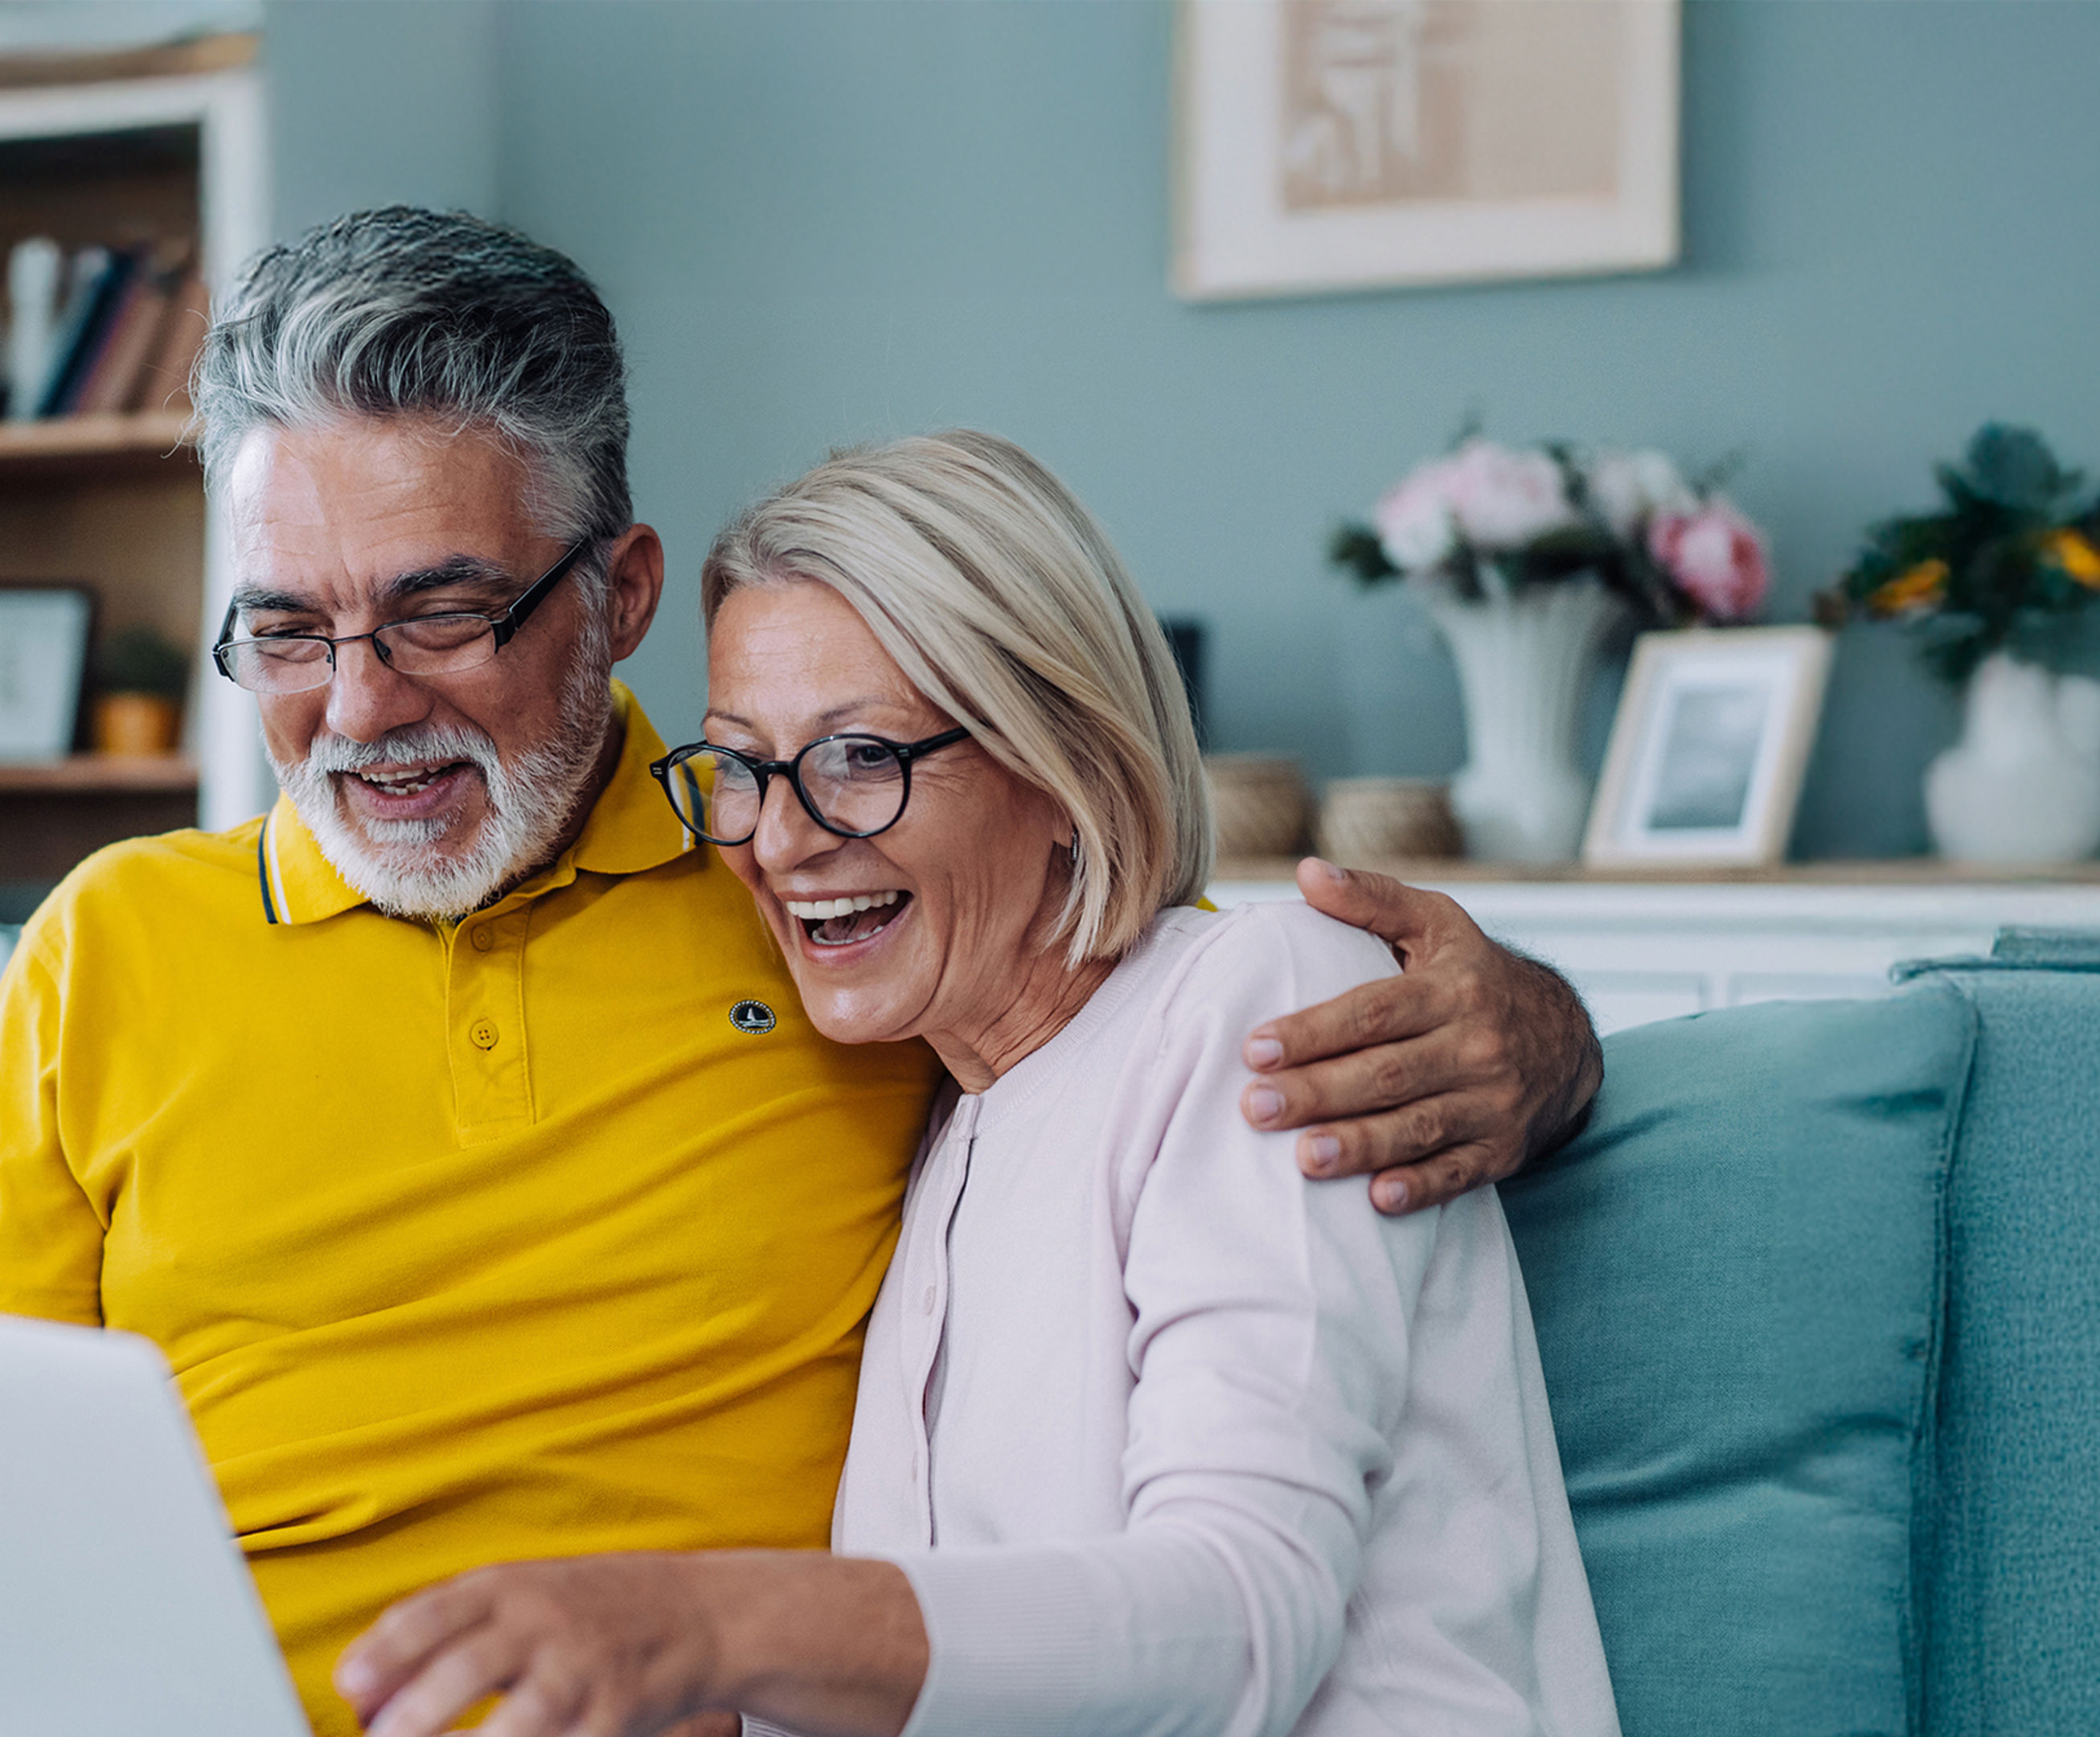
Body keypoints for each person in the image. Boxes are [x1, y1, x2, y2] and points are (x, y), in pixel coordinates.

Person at [0, 208, 1604, 1737]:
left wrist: (1538, 1036)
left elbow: (1150, 1007)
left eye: (439, 612)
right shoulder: (109, 946)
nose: (358, 712)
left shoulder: (816, 915)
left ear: (615, 594)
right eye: (282, 632)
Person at [329, 431, 1614, 1737]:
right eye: (741, 767)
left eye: (858, 758)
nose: (778, 842)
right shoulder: (941, 1111)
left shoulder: (1266, 998)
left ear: (1067, 763)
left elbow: (1240, 1619)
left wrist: (711, 1626)